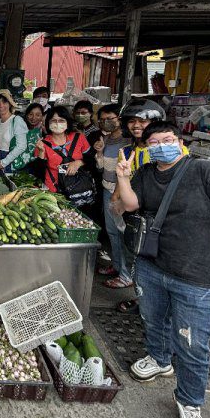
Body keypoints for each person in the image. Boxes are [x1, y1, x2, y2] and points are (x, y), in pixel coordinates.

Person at [115, 121, 210, 418]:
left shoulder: (206, 172)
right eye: (153, 143)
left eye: (167, 139)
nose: (160, 146)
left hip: (198, 277)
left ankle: (190, 401)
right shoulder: (146, 173)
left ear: (180, 142)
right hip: (153, 266)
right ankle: (159, 360)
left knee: (192, 345)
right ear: (147, 148)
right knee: (153, 321)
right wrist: (123, 178)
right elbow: (130, 204)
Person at [112, 98, 189, 313]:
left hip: (167, 216)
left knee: (165, 261)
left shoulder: (174, 149)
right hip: (138, 213)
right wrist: (116, 199)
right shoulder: (126, 152)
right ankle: (143, 299)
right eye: (132, 121)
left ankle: (163, 305)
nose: (136, 126)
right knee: (140, 258)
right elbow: (123, 179)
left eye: (143, 121)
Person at [92, 104, 132, 289]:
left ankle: (126, 275)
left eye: (110, 118)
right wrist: (99, 152)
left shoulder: (128, 142)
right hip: (107, 190)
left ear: (120, 119)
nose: (106, 122)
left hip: (121, 194)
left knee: (123, 234)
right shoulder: (105, 140)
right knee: (113, 232)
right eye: (102, 119)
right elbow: (101, 168)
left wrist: (117, 195)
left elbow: (127, 173)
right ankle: (117, 266)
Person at [31, 106, 91, 194]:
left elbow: (91, 160)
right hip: (55, 191)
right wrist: (41, 152)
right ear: (48, 123)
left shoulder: (79, 137)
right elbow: (38, 174)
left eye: (61, 120)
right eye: (54, 121)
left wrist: (79, 162)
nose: (57, 124)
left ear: (68, 122)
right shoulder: (42, 144)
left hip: (80, 189)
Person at [0, 90, 28, 173]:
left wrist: (4, 162)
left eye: (4, 102)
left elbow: (21, 146)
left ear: (10, 104)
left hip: (12, 161)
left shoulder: (17, 120)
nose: (1, 105)